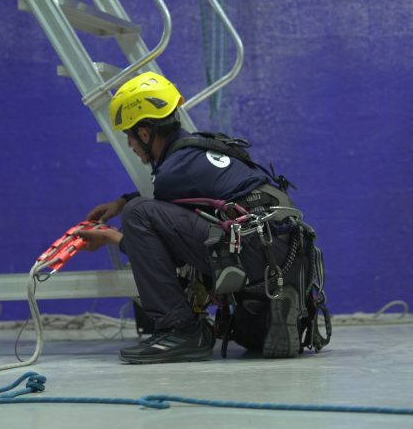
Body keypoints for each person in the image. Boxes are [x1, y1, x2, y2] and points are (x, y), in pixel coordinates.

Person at [77, 71, 307, 364]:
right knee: (248, 337)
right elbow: (179, 206)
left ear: (145, 133)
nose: (131, 146)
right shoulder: (196, 148)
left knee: (138, 215)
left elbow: (161, 244)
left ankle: (181, 331)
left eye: (129, 136)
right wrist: (122, 201)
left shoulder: (173, 172)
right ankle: (276, 306)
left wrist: (111, 236)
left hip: (255, 252)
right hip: (284, 253)